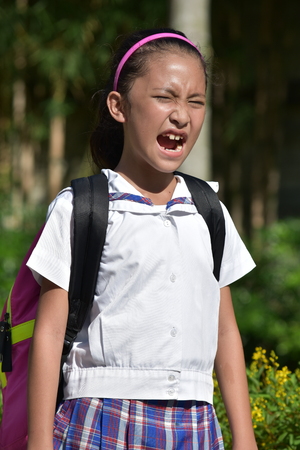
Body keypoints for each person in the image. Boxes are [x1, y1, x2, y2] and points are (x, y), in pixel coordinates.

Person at [27, 28, 258, 450]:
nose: (182, 116)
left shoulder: (208, 210)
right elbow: (48, 334)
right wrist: (39, 443)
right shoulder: (81, 207)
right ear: (119, 106)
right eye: (164, 97)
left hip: (196, 425)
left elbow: (224, 332)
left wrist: (245, 440)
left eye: (195, 101)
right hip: (100, 422)